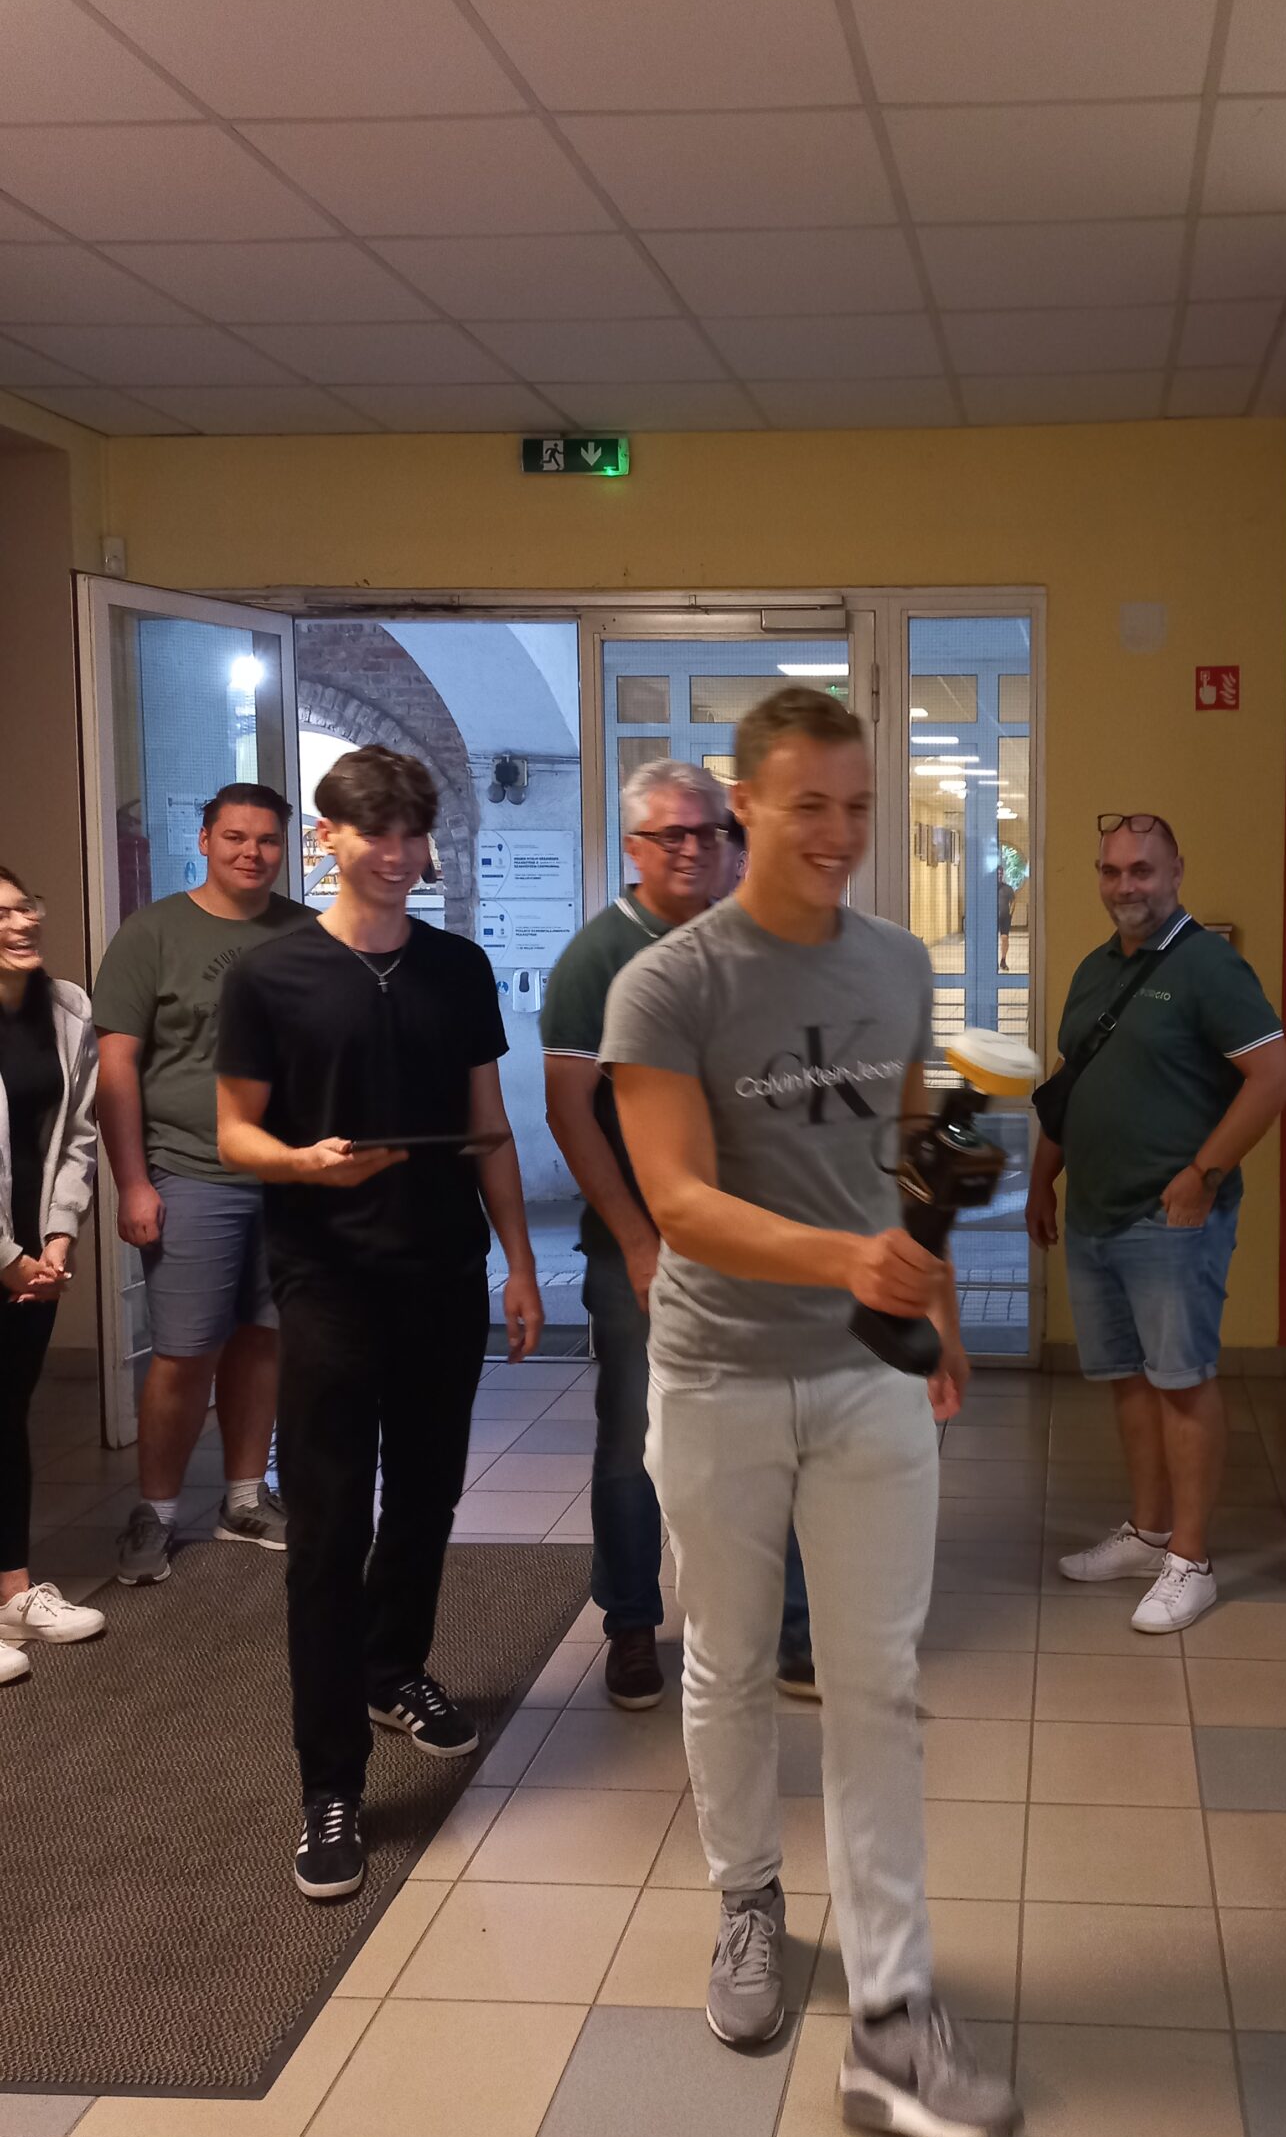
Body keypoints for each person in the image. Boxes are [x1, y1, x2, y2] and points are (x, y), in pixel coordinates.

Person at [602, 685, 1019, 2137]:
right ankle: (746, 1903)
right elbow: (677, 1199)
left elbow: (901, 1145)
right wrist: (848, 1260)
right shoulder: (668, 985)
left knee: (876, 1681)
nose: (838, 833)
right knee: (724, 1662)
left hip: (865, 1377)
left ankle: (894, 2006)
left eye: (857, 807)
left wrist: (933, 1307)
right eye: (809, 807)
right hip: (718, 1373)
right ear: (745, 808)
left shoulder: (897, 962)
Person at [215, 747, 544, 1901]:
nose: (397, 854)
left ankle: (393, 1667)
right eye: (375, 833)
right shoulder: (271, 975)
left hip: (443, 1273)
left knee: (427, 1497)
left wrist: (518, 1262)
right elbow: (235, 1134)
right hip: (328, 1283)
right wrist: (304, 1164)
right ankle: (330, 1782)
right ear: (330, 838)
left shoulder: (457, 966)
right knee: (324, 1533)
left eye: (411, 833)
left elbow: (488, 1122)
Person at [542, 760, 812, 1712]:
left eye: (709, 832)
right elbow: (569, 1111)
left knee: (774, 1434)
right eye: (672, 835)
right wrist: (636, 1240)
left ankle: (790, 1629)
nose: (694, 849)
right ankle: (629, 1623)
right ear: (634, 846)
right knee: (637, 1442)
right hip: (645, 1250)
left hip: (756, 1243)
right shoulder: (598, 958)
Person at [1028, 814, 1286, 1634]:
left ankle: (1191, 1561)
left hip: (1169, 1219)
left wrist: (1201, 1175)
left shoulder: (1209, 966)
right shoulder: (1094, 969)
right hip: (1096, 1213)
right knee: (1129, 1380)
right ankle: (1146, 1535)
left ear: (1176, 870)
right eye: (1111, 871)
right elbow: (1071, 1083)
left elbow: (1273, 1077)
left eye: (1141, 870)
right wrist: (1041, 1180)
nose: (1125, 886)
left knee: (1181, 1383)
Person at [92, 783, 305, 1585]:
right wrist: (133, 1183)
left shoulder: (306, 933)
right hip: (188, 1171)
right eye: (236, 837)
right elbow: (117, 1067)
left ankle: (244, 1498)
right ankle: (156, 1511)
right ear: (206, 839)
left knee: (264, 1339)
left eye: (268, 840)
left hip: (285, 1176)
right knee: (185, 1352)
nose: (253, 853)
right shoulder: (152, 934)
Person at [0, 867, 106, 1680]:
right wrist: (7, 1261)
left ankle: (13, 1595)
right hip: (9, 1260)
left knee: (7, 1418)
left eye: (24, 907)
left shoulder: (67, 1006)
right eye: (1, 915)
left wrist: (58, 1239)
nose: (21, 923)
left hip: (35, 1257)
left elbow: (78, 1135)